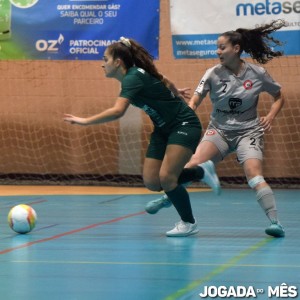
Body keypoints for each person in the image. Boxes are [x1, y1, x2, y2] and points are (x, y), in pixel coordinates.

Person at [64, 37, 221, 237]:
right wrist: (175, 90)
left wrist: (84, 121)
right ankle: (199, 172)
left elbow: (118, 111)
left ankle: (188, 223)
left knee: (167, 178)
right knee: (153, 182)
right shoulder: (137, 75)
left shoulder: (132, 77)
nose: (102, 64)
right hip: (162, 130)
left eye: (106, 59)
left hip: (184, 124)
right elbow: (163, 78)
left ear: (118, 61)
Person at [146, 20, 287, 238]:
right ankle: (168, 197)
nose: (217, 51)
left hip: (248, 131)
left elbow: (279, 96)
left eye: (222, 47)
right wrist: (189, 110)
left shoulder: (257, 73)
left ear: (236, 49)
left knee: (254, 175)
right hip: (219, 130)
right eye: (217, 47)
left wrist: (270, 115)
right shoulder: (212, 73)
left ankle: (275, 222)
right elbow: (196, 98)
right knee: (193, 163)